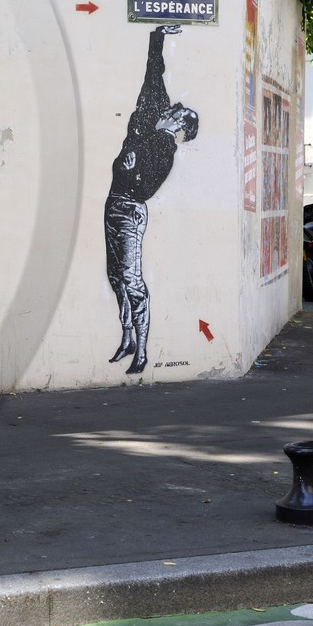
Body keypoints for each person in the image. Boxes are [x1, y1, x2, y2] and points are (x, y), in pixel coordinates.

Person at [105, 25, 199, 375]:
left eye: (182, 120)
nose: (177, 112)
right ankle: (127, 337)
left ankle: (141, 350)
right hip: (112, 203)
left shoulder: (166, 151)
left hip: (130, 211)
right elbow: (153, 67)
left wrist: (130, 171)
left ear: (180, 132)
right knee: (115, 277)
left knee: (132, 281)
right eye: (181, 110)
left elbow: (144, 190)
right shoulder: (153, 103)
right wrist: (158, 35)